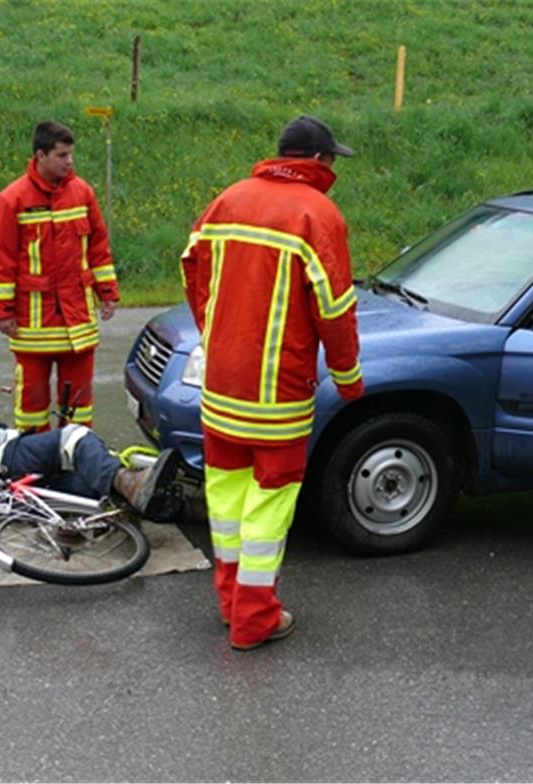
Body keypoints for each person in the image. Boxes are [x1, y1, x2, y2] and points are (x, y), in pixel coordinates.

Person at [181, 115, 364, 650]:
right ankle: (255, 620)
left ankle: (230, 603)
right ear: (317, 161)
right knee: (269, 505)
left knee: (228, 501)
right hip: (277, 395)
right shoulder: (318, 214)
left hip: (220, 387)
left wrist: (215, 332)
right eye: (332, 160)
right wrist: (349, 377)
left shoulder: (229, 200)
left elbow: (193, 267)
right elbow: (335, 311)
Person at [0, 340, 180, 518]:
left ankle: (167, 506)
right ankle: (129, 482)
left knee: (84, 487)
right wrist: (16, 436)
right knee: (73, 437)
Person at [0, 121, 120, 433]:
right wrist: (1, 312)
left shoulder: (83, 193)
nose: (69, 161)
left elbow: (98, 246)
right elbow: (1, 259)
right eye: (62, 155)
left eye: (71, 154)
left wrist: (108, 292)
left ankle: (77, 458)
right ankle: (33, 459)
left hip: (78, 324)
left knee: (79, 403)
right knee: (32, 406)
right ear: (40, 156)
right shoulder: (12, 200)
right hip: (35, 326)